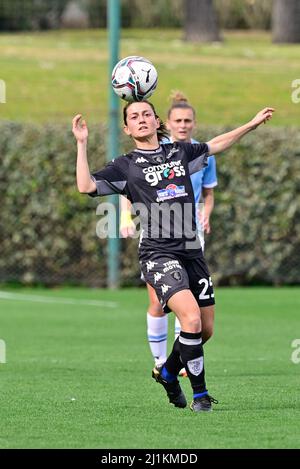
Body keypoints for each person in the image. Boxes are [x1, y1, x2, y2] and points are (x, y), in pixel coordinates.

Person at [72, 102, 274, 412]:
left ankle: (167, 372)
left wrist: (251, 123)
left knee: (205, 330)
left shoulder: (180, 152)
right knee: (190, 319)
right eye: (133, 117)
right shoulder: (125, 165)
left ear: (156, 121)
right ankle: (201, 396)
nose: (141, 120)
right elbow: (85, 186)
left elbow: (216, 144)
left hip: (192, 250)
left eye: (145, 115)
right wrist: (82, 143)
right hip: (158, 253)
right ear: (126, 128)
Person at [120, 92, 218, 376]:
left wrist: (206, 213)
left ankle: (177, 362)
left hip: (190, 232)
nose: (183, 125)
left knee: (192, 307)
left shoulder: (200, 153)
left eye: (188, 121)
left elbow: (208, 193)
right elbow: (129, 184)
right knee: (159, 303)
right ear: (168, 123)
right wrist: (126, 216)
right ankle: (161, 361)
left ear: (195, 124)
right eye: (178, 120)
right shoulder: (158, 151)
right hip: (158, 235)